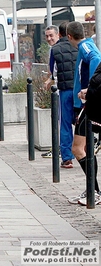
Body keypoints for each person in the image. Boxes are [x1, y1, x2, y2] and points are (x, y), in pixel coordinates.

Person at [67, 21, 101, 205]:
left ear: (69, 36)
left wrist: (90, 87)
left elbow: (96, 59)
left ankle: (94, 191)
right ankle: (92, 190)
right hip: (86, 104)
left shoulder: (86, 46)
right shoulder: (87, 44)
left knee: (77, 149)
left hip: (86, 105)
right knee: (86, 149)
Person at [49, 22, 77, 168]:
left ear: (59, 34)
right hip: (80, 91)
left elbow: (52, 71)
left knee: (65, 124)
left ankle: (67, 158)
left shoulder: (55, 49)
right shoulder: (78, 47)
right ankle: (85, 151)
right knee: (82, 122)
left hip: (65, 89)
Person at [41, 25, 60, 158]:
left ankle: (59, 149)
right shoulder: (53, 49)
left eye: (51, 35)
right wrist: (50, 79)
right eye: (47, 36)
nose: (49, 38)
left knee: (60, 120)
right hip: (58, 88)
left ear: (58, 35)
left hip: (62, 90)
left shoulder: (58, 49)